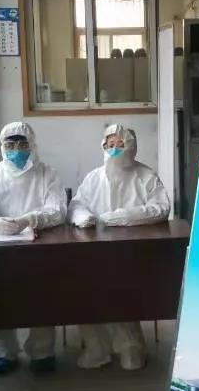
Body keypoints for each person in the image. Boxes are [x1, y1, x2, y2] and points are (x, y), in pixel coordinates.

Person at [0, 121, 66, 375]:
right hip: (0, 250)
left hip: (39, 246)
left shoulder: (47, 174)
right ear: (2, 147)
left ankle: (42, 350)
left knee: (41, 296)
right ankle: (2, 350)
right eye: (10, 145)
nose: (16, 150)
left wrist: (29, 220)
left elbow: (57, 210)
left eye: (22, 143)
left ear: (32, 145)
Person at [68, 124, 170, 370]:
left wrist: (124, 216)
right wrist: (82, 217)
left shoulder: (146, 176)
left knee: (122, 293)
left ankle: (130, 348)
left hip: (134, 253)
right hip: (94, 252)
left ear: (131, 146)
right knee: (83, 293)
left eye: (120, 144)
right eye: (110, 144)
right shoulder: (94, 178)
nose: (114, 149)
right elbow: (76, 204)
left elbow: (160, 208)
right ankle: (96, 349)